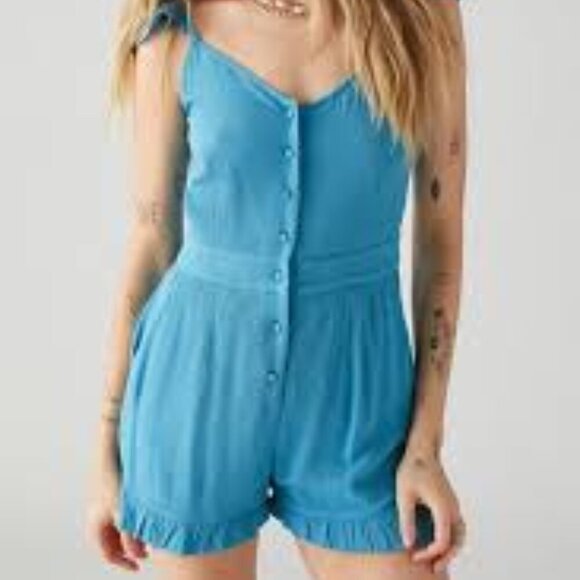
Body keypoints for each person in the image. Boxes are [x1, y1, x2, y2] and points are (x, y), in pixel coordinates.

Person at [86, 0, 468, 578]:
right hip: (195, 393)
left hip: (358, 400)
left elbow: (440, 246)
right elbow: (151, 241)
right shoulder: (175, 23)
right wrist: (105, 446)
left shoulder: (419, 16)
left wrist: (424, 447)